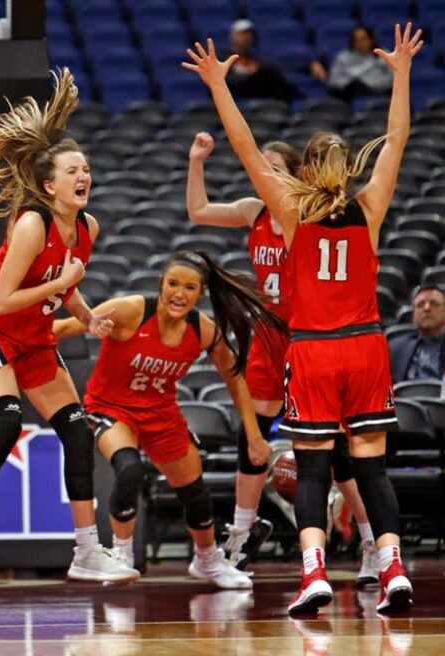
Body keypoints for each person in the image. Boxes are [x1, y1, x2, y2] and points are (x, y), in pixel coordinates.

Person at [182, 21, 422, 614]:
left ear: (306, 173)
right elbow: (396, 138)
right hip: (366, 347)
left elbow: (241, 146)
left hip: (314, 349)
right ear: (346, 169)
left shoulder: (289, 210)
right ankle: (392, 567)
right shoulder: (369, 207)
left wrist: (219, 86)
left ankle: (313, 571)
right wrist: (402, 75)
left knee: (312, 467)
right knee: (370, 467)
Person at [0, 69, 138, 582]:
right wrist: (60, 286)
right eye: (73, 169)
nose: (83, 175)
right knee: (6, 420)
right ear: (50, 185)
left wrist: (88, 317)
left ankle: (87, 552)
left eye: (87, 168)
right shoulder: (32, 223)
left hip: (34, 342)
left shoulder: (87, 227)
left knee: (76, 430)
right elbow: (3, 302)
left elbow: (64, 285)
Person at [186, 133, 380, 586]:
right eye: (263, 167)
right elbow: (198, 211)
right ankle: (240, 534)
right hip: (270, 338)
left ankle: (371, 541)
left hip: (315, 335)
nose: (265, 174)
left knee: (340, 451)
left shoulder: (307, 214)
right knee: (251, 437)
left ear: (295, 176)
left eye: (276, 168)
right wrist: (197, 162)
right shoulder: (255, 211)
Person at [53, 251, 280, 588]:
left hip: (161, 413)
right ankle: (121, 554)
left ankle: (207, 560)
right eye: (173, 284)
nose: (179, 293)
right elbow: (62, 328)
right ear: (161, 284)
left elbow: (234, 377)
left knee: (196, 493)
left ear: (199, 294)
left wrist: (254, 434)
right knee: (128, 469)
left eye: (189, 287)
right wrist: (12, 338)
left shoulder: (202, 329)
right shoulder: (130, 310)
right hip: (112, 408)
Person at [225, 19, 296, 103]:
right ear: (233, 36)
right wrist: (245, 72)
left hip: (260, 98)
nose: (247, 37)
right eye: (243, 33)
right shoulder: (223, 58)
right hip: (234, 99)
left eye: (249, 34)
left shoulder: (258, 59)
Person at [389, 284, 445, 383]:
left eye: (434, 303)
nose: (427, 308)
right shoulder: (395, 348)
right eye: (420, 304)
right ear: (413, 315)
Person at [327, 26, 393, 104]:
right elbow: (333, 81)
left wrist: (370, 83)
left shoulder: (383, 55)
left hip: (378, 94)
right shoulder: (343, 58)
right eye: (356, 40)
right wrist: (350, 81)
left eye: (363, 39)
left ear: (371, 39)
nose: (360, 43)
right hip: (350, 96)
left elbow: (392, 79)